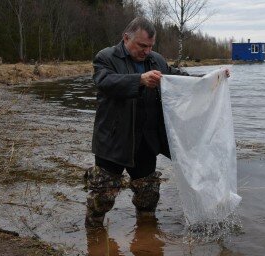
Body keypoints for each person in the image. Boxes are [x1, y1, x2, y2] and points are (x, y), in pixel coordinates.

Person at [85, 17, 230, 227]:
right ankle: (95, 239)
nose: (146, 51)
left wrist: (210, 79)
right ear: (126, 38)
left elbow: (177, 79)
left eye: (151, 46)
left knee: (148, 197)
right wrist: (139, 80)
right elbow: (105, 82)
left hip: (146, 142)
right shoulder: (106, 57)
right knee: (102, 198)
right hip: (113, 141)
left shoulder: (156, 60)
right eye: (142, 45)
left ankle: (146, 241)